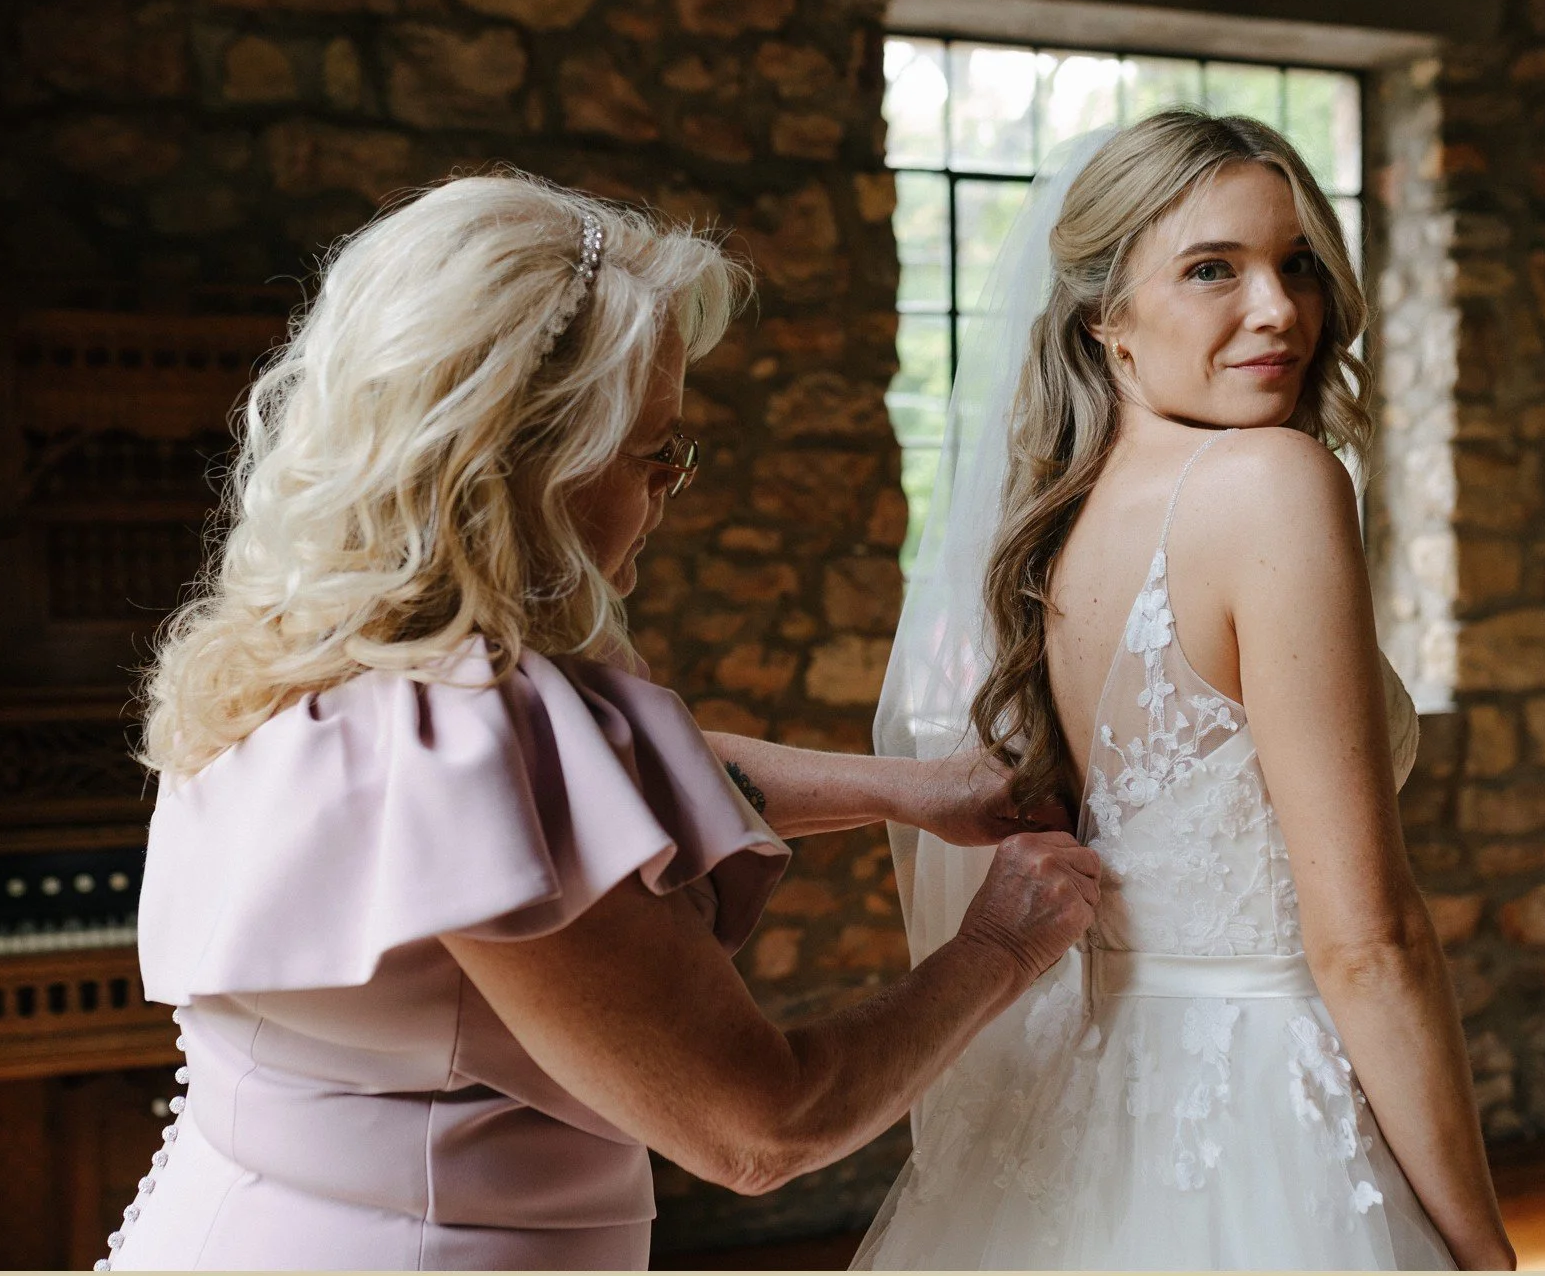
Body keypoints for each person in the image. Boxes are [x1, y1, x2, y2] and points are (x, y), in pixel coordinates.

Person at [99, 173, 1101, 1271]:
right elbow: (757, 1127)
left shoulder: (306, 649)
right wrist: (997, 949)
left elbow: (574, 807)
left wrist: (905, 790)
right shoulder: (467, 719)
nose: (669, 490)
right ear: (520, 458)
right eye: (652, 451)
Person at [854, 112, 1515, 1270]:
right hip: (1257, 1115)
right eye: (1213, 268)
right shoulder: (1270, 482)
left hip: (1078, 1095)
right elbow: (1365, 944)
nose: (1278, 310)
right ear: (1104, 319)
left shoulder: (1064, 515)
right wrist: (1481, 1248)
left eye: (1297, 264)